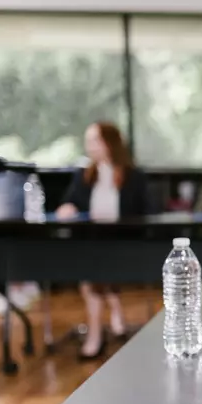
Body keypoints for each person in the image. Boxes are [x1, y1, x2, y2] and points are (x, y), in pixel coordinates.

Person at [56, 122, 152, 360]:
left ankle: (96, 336)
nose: (89, 147)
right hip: (94, 245)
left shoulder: (134, 177)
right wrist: (67, 208)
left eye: (94, 141)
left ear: (110, 143)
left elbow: (149, 213)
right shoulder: (84, 176)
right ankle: (103, 327)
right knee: (92, 269)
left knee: (93, 272)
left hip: (127, 245)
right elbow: (70, 203)